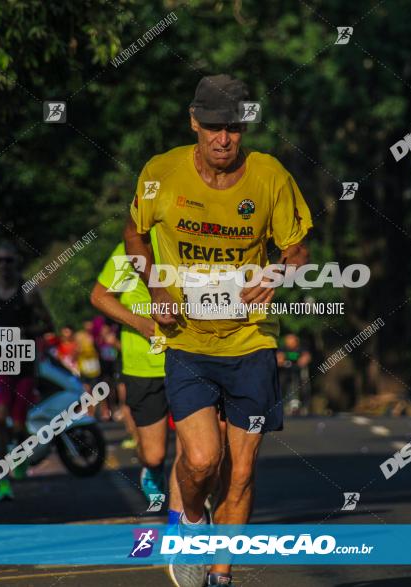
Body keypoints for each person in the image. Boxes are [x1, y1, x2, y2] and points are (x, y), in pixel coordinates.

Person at [124, 73, 312, 587]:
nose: (223, 139)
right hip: (187, 341)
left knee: (242, 471)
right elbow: (134, 232)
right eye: (213, 127)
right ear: (194, 123)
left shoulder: (269, 176)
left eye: (232, 127)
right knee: (203, 459)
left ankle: (221, 576)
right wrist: (156, 286)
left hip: (251, 342)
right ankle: (190, 519)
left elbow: (298, 248)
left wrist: (278, 271)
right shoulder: (161, 174)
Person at [90, 228, 184, 523]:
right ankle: (151, 470)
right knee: (154, 454)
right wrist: (140, 323)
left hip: (189, 361)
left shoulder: (191, 242)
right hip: (143, 366)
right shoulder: (131, 250)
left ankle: (186, 510)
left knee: (195, 449)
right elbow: (99, 296)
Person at [0, 240, 54, 501]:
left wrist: (25, 333)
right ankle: (2, 481)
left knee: (18, 425)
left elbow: (49, 324)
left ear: (17, 262)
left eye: (9, 260)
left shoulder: (28, 292)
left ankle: (19, 458)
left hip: (25, 366)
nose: (4, 265)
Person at [276, 333, 311, 415]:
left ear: (296, 341)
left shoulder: (301, 349)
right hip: (284, 373)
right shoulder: (282, 349)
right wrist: (290, 358)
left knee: (303, 386)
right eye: (288, 341)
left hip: (298, 373)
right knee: (281, 385)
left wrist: (287, 357)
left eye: (291, 341)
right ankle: (282, 406)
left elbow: (306, 357)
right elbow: (279, 358)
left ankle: (304, 406)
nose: (289, 343)